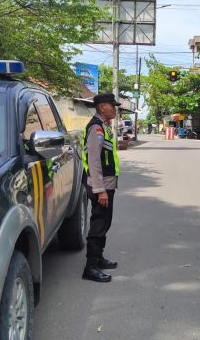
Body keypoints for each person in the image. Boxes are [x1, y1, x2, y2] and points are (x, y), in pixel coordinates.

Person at [81, 93, 121, 283]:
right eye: (112, 105)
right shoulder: (96, 128)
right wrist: (100, 190)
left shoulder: (103, 127)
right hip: (100, 185)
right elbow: (94, 161)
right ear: (102, 107)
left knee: (104, 222)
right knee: (98, 224)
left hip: (106, 183)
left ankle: (98, 258)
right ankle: (90, 267)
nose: (115, 109)